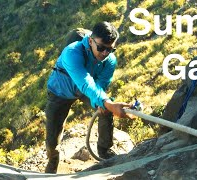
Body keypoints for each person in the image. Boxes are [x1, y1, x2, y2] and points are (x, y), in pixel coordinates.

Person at [45, 21, 132, 173]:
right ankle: (53, 162)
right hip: (60, 91)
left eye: (110, 49)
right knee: (52, 137)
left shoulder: (110, 60)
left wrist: (104, 103)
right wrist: (106, 102)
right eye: (101, 48)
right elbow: (85, 83)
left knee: (105, 109)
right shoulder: (72, 52)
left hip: (86, 90)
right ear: (90, 41)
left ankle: (104, 150)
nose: (105, 53)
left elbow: (101, 84)